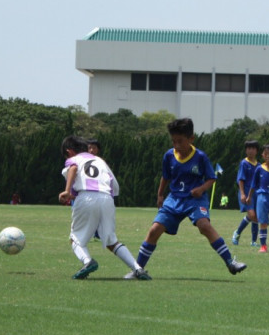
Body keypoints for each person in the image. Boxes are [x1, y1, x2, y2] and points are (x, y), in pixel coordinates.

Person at [135, 118, 247, 277]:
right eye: (173, 141)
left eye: (180, 141)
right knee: (154, 230)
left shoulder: (200, 157)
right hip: (174, 199)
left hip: (195, 200)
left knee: (204, 226)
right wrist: (160, 194)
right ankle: (138, 269)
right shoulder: (169, 155)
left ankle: (231, 262)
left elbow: (211, 178)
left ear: (191, 139)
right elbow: (165, 176)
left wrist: (201, 189)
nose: (177, 145)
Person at [58, 136, 149, 280]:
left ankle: (88, 262)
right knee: (111, 241)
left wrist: (68, 191)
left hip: (86, 197)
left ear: (69, 151)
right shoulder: (100, 161)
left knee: (75, 239)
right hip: (107, 198)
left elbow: (73, 169)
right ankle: (138, 269)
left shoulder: (74, 160)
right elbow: (115, 186)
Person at [231, 139, 260, 246]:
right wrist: (242, 193)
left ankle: (253, 241)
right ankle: (237, 232)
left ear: (256, 151)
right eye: (248, 148)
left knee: (255, 216)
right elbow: (240, 179)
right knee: (252, 214)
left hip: (256, 193)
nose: (250, 151)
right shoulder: (244, 163)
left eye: (253, 148)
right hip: (246, 191)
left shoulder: (259, 165)